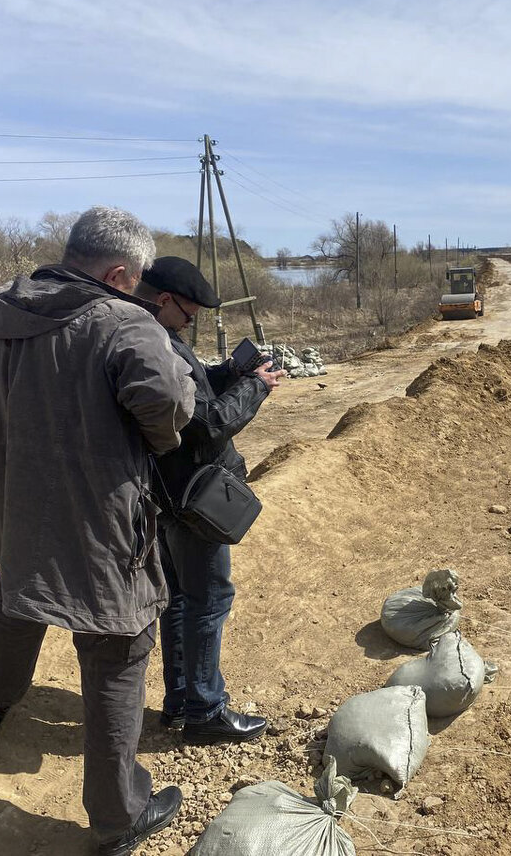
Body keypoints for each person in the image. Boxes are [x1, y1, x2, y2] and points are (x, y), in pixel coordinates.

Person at [0, 206, 197, 856]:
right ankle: (119, 817)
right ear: (119, 272)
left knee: (17, 589)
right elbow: (168, 409)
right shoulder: (124, 323)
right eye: (136, 279)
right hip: (96, 528)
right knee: (119, 645)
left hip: (8, 507)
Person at [134, 256, 286, 745]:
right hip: (196, 494)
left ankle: (180, 701)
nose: (194, 318)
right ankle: (205, 711)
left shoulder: (146, 338)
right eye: (189, 310)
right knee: (209, 600)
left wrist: (224, 373)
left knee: (180, 598)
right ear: (163, 300)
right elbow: (207, 427)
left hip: (168, 492)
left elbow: (193, 399)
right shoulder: (158, 347)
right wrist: (256, 387)